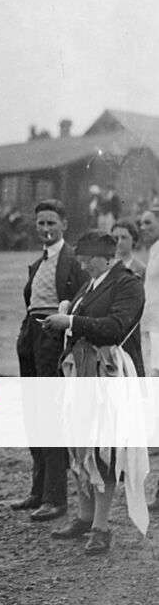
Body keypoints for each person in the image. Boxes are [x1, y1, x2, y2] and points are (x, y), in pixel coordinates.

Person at [42, 231, 147, 553]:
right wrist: (67, 319)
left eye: (88, 257)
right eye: (82, 256)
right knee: (80, 443)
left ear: (107, 255)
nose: (84, 263)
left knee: (104, 448)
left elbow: (116, 327)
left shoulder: (127, 284)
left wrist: (71, 319)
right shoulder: (92, 284)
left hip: (110, 374)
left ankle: (102, 527)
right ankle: (85, 517)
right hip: (84, 372)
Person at [13, 199, 88, 521]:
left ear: (64, 225)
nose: (45, 229)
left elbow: (82, 301)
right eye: (41, 223)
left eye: (51, 223)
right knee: (33, 414)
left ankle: (56, 499)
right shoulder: (38, 262)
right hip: (31, 336)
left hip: (53, 338)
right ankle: (38, 491)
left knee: (51, 416)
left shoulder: (72, 261)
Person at [137, 208, 159, 512]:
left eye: (149, 223)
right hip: (152, 331)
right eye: (141, 223)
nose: (143, 227)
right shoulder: (153, 250)